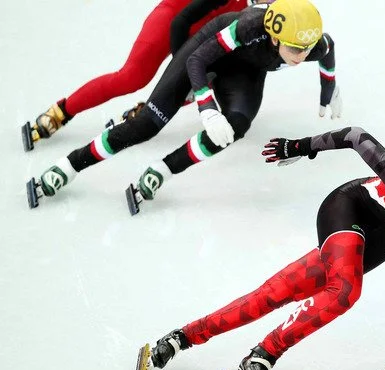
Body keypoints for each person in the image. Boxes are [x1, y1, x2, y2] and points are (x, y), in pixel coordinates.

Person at [134, 126, 385, 370]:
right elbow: (355, 135)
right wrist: (299, 147)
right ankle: (265, 353)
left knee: (273, 295)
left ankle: (181, 337)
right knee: (344, 292)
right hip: (345, 210)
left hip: (378, 241)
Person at [27, 0, 341, 212]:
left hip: (244, 68)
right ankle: (69, 165)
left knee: (235, 127)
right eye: (295, 48)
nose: (301, 55)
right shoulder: (248, 25)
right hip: (203, 44)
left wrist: (329, 87)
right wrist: (202, 102)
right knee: (145, 121)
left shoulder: (310, 42)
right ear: (273, 36)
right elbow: (197, 57)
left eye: (306, 48)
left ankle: (163, 171)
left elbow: (328, 50)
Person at [21, 0, 258, 151]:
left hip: (199, 39)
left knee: (197, 86)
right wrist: (179, 68)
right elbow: (180, 22)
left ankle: (143, 112)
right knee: (133, 77)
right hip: (172, 22)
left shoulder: (263, 12)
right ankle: (61, 112)